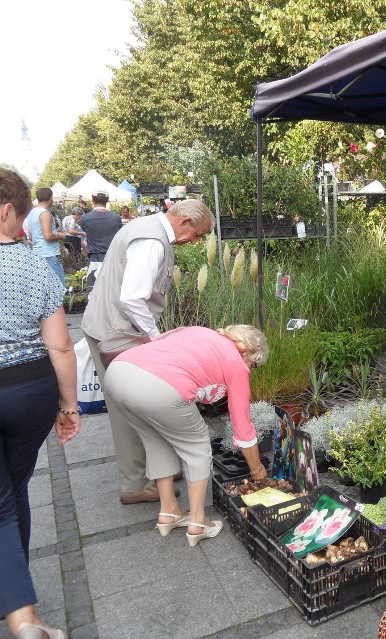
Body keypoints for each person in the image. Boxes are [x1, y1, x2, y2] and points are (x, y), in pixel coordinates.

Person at [81, 198, 214, 505]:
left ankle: (160, 470)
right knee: (128, 408)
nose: (194, 243)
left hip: (111, 327)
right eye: (197, 235)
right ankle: (135, 484)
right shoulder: (152, 241)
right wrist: (156, 338)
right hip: (117, 334)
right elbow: (131, 298)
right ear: (184, 222)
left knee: (138, 403)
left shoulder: (143, 229)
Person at [0, 169, 79, 639]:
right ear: (8, 210)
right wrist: (69, 405)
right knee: (13, 490)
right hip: (29, 391)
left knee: (3, 500)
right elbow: (62, 347)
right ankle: (19, 599)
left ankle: (20, 613)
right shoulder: (32, 266)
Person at [104, 325, 269, 546]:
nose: (251, 369)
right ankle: (198, 522)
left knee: (156, 440)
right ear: (249, 352)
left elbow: (157, 342)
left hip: (118, 373)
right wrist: (258, 471)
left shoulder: (199, 331)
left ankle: (169, 511)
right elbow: (242, 425)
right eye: (255, 365)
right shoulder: (237, 363)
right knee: (198, 445)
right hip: (158, 386)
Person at [78, 191, 122, 290]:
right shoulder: (116, 218)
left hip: (94, 258)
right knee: (113, 291)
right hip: (112, 259)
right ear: (107, 200)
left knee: (93, 292)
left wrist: (86, 247)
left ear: (92, 200)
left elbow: (83, 239)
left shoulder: (85, 218)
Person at [25, 188, 66, 284]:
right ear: (50, 198)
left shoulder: (31, 213)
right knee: (58, 287)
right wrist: (60, 235)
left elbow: (31, 236)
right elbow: (48, 236)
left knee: (43, 287)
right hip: (49, 255)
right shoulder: (45, 213)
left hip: (37, 253)